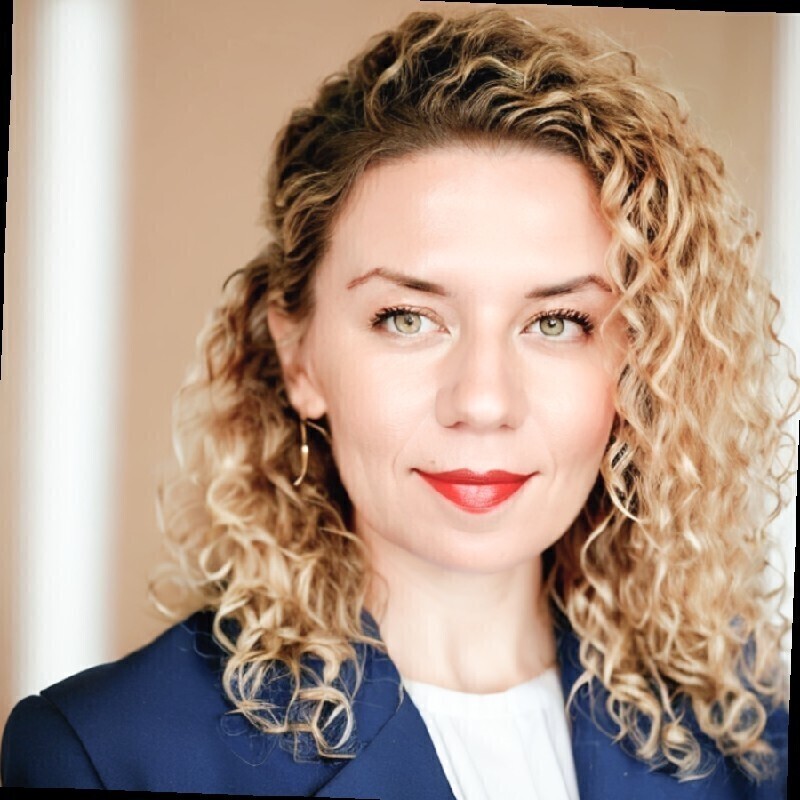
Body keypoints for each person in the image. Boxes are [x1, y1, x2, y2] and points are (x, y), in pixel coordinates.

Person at [2, 9, 793, 798]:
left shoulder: (752, 743)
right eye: (408, 318)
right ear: (299, 356)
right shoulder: (106, 757)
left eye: (556, 322)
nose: (483, 401)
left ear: (639, 364)